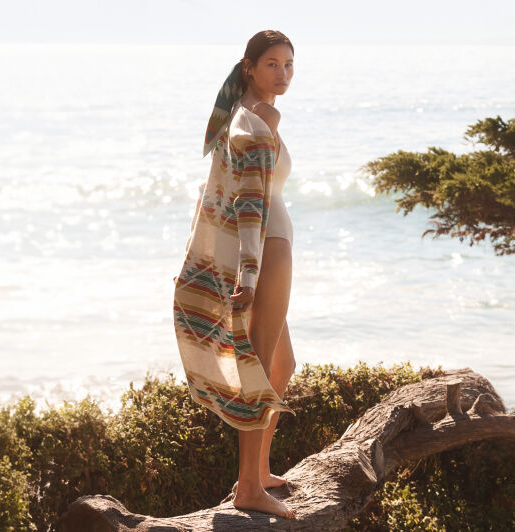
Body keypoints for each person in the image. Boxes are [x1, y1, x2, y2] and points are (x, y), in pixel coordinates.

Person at [172, 30, 297, 519]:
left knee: (282, 365)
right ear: (249, 67)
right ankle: (248, 487)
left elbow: (214, 196)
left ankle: (261, 471)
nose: (282, 73)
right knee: (260, 368)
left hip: (268, 247)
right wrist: (247, 271)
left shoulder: (237, 116)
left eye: (289, 64)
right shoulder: (255, 121)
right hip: (268, 250)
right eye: (271, 64)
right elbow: (246, 203)